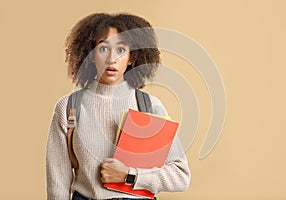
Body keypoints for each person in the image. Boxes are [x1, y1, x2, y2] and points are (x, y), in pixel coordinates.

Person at [46, 13, 191, 200]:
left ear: (132, 58)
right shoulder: (69, 107)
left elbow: (181, 176)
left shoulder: (149, 106)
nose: (111, 59)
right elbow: (57, 183)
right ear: (90, 55)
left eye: (121, 50)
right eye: (103, 48)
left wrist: (130, 175)